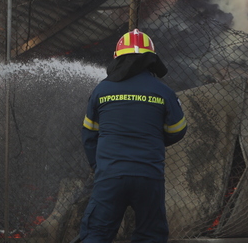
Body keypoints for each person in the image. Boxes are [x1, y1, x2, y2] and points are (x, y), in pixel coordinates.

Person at [78, 29, 187, 243]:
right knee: (151, 235)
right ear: (151, 60)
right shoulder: (163, 92)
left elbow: (89, 135)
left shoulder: (102, 90)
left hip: (110, 176)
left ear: (117, 59)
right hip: (148, 175)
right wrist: (154, 138)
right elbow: (178, 130)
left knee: (96, 233)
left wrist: (98, 166)